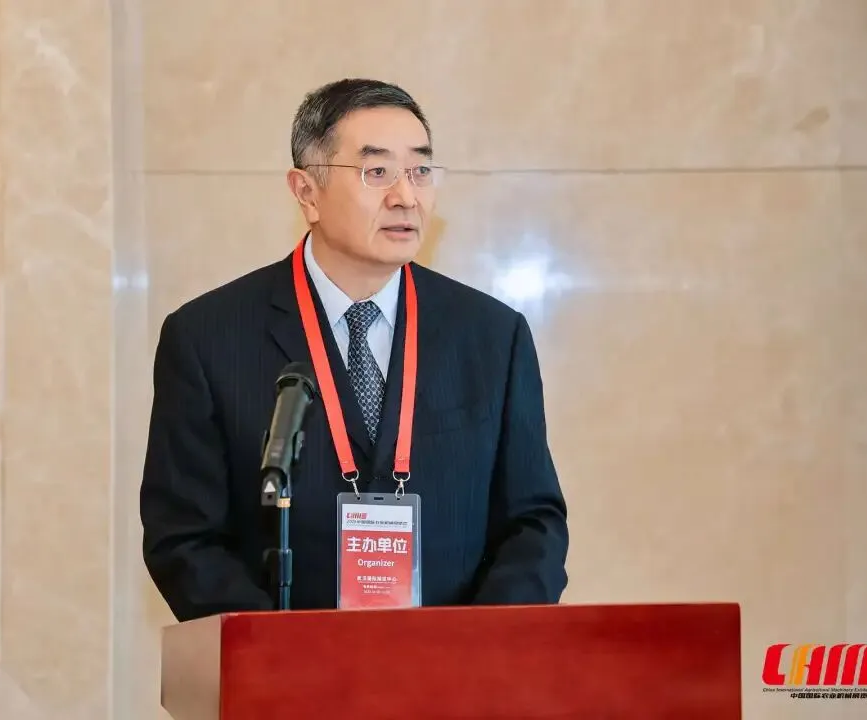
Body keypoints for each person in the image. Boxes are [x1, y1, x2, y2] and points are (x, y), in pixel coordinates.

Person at [140, 78, 569, 621]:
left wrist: (475, 648)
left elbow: (534, 523)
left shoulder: (491, 335)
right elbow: (185, 537)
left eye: (420, 170)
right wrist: (283, 656)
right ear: (306, 192)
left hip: (454, 665)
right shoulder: (207, 337)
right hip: (286, 668)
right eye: (377, 171)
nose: (406, 196)